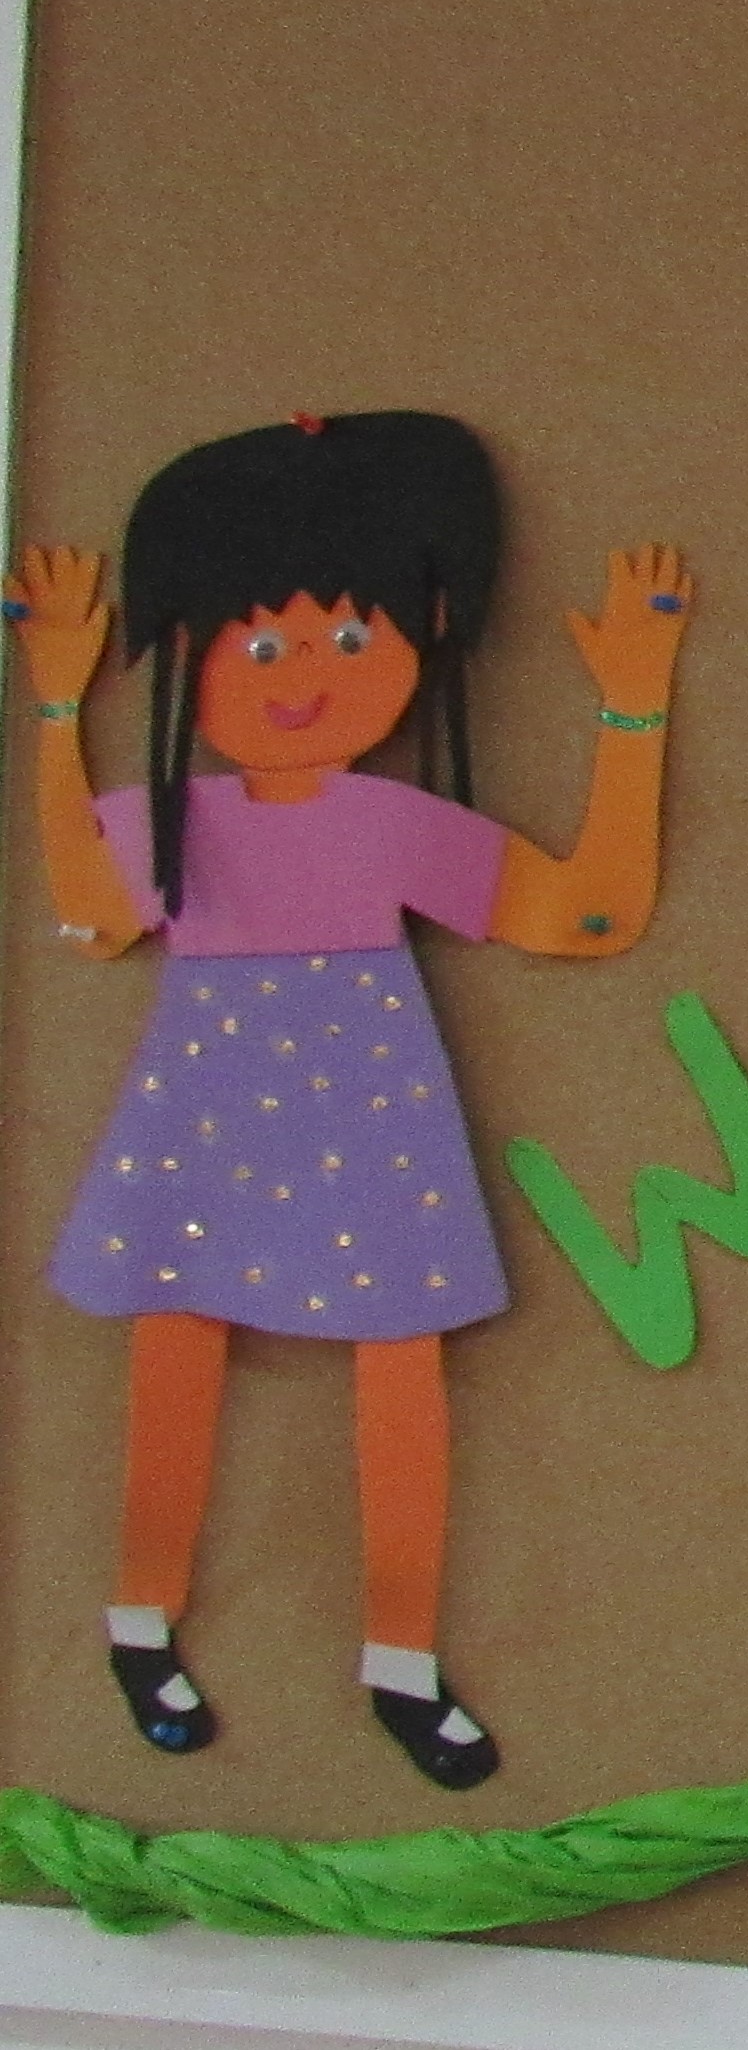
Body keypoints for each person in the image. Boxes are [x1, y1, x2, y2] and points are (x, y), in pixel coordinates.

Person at [12, 411, 693, 1789]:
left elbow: (592, 914)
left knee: (400, 1364)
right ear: (192, 653)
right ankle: (140, 1619)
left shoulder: (391, 826)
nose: (304, 678)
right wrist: (56, 707)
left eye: (345, 637)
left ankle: (399, 1657)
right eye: (261, 647)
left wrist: (635, 709)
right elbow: (87, 911)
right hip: (205, 1103)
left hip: (370, 1111)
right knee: (176, 1342)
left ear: (418, 639)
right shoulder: (175, 823)